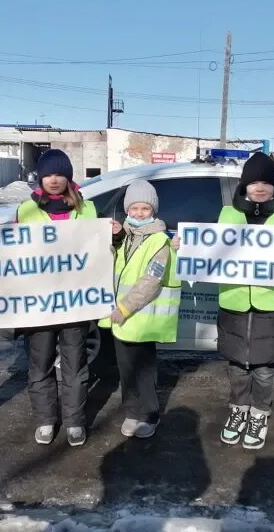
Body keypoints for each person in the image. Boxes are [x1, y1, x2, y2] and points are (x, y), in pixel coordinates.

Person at [15, 149, 97, 447]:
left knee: (75, 365)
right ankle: (46, 419)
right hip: (38, 304)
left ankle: (75, 421)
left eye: (59, 174)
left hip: (75, 302)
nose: (53, 180)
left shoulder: (86, 210)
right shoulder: (26, 211)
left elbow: (97, 253)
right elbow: (12, 253)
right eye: (47, 174)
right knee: (41, 364)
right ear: (40, 177)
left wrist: (111, 236)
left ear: (68, 177)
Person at [215, 153, 274, 450]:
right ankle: (238, 410)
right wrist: (186, 246)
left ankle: (260, 414)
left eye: (266, 182)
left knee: (265, 370)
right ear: (244, 185)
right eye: (253, 182)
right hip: (234, 302)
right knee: (237, 366)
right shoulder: (228, 213)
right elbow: (212, 251)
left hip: (273, 304)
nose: (259, 188)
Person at [99, 180, 181, 439]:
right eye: (134, 208)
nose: (138, 213)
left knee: (144, 371)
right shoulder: (125, 236)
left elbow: (151, 281)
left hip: (139, 318)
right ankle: (132, 412)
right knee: (126, 370)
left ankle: (149, 415)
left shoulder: (159, 240)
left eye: (145, 208)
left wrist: (123, 307)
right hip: (121, 321)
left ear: (153, 210)